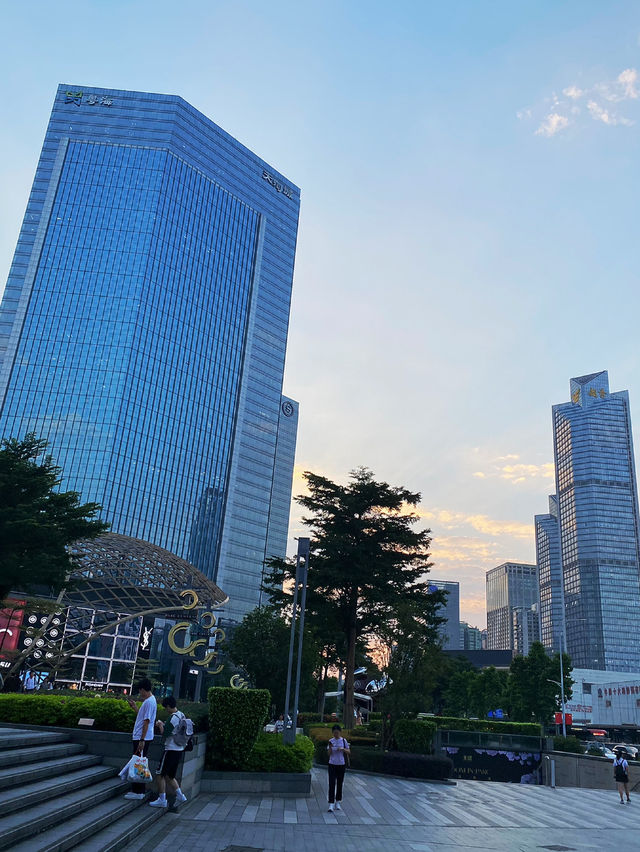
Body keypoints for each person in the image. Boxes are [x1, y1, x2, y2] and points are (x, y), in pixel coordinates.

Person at [149, 696, 188, 808]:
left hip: (170, 749)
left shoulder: (173, 718)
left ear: (169, 706)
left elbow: (165, 734)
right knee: (170, 776)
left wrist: (161, 725)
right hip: (179, 749)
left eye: (166, 707)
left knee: (159, 774)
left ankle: (162, 799)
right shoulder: (181, 715)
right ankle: (181, 796)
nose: (166, 710)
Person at [124, 678, 157, 800]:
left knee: (139, 764)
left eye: (140, 691)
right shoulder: (150, 701)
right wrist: (135, 708)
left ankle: (139, 791)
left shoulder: (149, 702)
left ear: (143, 689)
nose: (140, 693)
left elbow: (146, 722)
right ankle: (137, 790)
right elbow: (143, 718)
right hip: (141, 737)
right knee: (138, 763)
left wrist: (142, 740)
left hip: (141, 738)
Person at [327, 724, 350, 813]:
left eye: (337, 733)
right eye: (334, 733)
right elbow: (328, 754)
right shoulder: (330, 741)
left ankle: (338, 801)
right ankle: (331, 803)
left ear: (340, 732)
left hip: (341, 764)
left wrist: (342, 749)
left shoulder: (343, 740)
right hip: (332, 764)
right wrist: (331, 748)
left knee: (340, 783)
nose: (336, 734)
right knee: (332, 783)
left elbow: (349, 751)